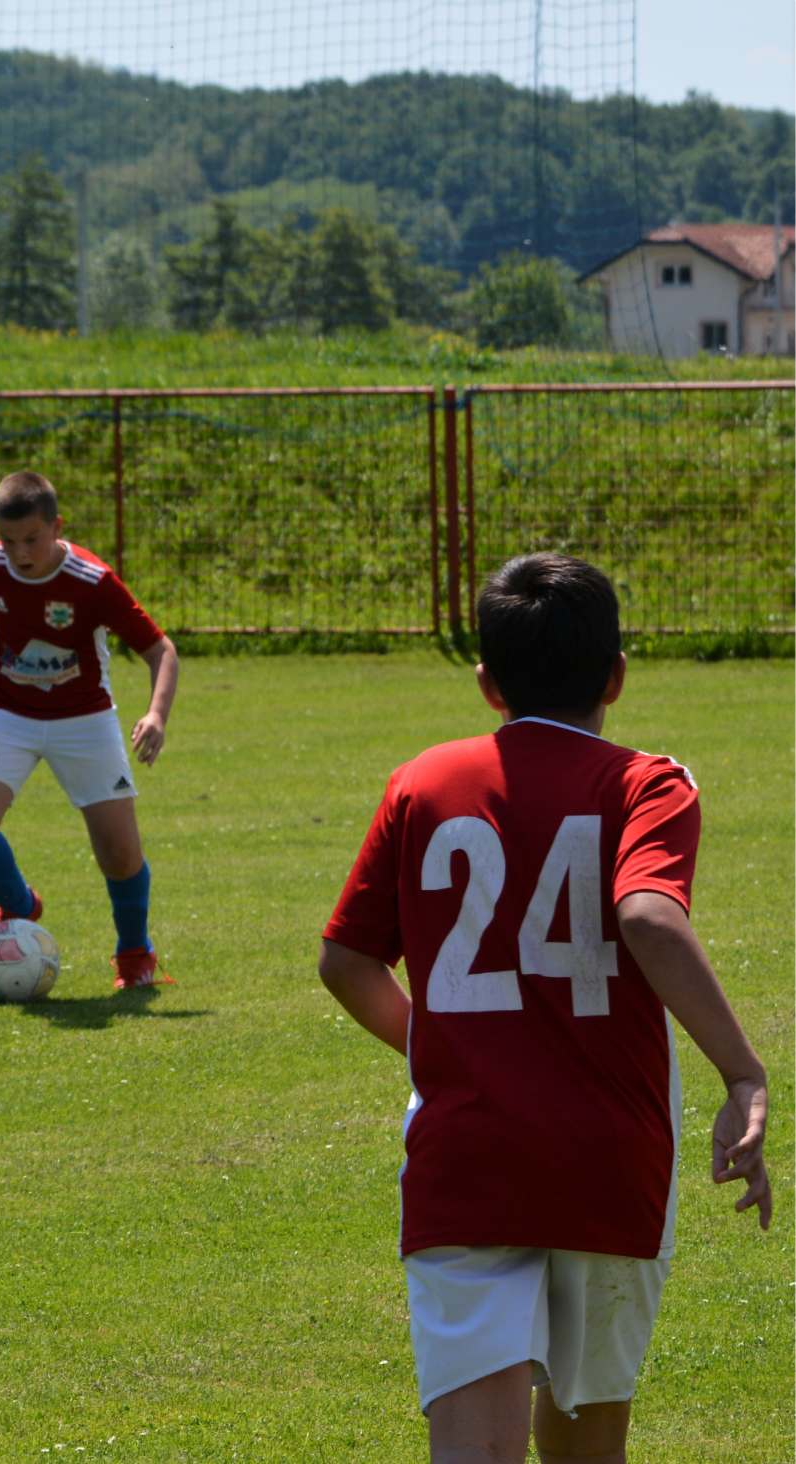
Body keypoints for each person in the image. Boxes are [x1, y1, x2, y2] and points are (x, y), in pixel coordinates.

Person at [318, 552, 772, 1464]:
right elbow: (648, 915)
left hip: (468, 1153)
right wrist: (743, 1073)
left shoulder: (421, 782)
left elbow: (346, 962)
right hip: (610, 1154)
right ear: (616, 676)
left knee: (474, 1448)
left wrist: (448, 1048)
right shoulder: (647, 783)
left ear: (487, 682)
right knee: (587, 1440)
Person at [0, 470, 180, 990]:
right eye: (9, 540)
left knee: (119, 853)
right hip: (7, 712)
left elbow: (161, 650)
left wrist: (156, 715)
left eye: (32, 539)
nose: (20, 553)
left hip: (84, 719)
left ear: (57, 527)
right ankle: (19, 905)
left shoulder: (92, 581)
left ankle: (134, 953)